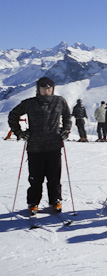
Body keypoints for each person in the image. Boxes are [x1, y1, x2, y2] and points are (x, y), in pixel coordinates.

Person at [8, 77, 71, 215]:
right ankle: (33, 202)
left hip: (54, 145)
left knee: (54, 177)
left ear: (53, 89)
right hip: (35, 147)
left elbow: (67, 116)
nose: (47, 90)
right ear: (38, 89)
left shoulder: (59, 101)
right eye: (44, 88)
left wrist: (65, 130)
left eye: (49, 88)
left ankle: (55, 200)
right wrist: (19, 132)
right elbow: (13, 115)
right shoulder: (30, 103)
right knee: (36, 178)